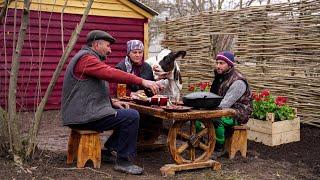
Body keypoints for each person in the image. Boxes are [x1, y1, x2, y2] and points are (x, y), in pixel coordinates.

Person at [61, 30, 162, 175]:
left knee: (125, 114)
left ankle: (109, 150)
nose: (110, 50)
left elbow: (89, 90)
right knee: (131, 116)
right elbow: (110, 73)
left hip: (83, 113)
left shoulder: (87, 58)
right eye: (108, 46)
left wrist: (112, 102)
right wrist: (142, 81)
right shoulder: (86, 59)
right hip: (83, 116)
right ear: (96, 44)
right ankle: (124, 161)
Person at [209, 51, 253, 156]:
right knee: (198, 119)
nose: (218, 66)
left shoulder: (238, 81)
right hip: (226, 109)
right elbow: (213, 95)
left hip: (238, 113)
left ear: (229, 64)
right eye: (217, 63)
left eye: (221, 63)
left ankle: (219, 147)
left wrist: (209, 110)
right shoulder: (222, 76)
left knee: (216, 119)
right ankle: (204, 142)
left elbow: (225, 104)